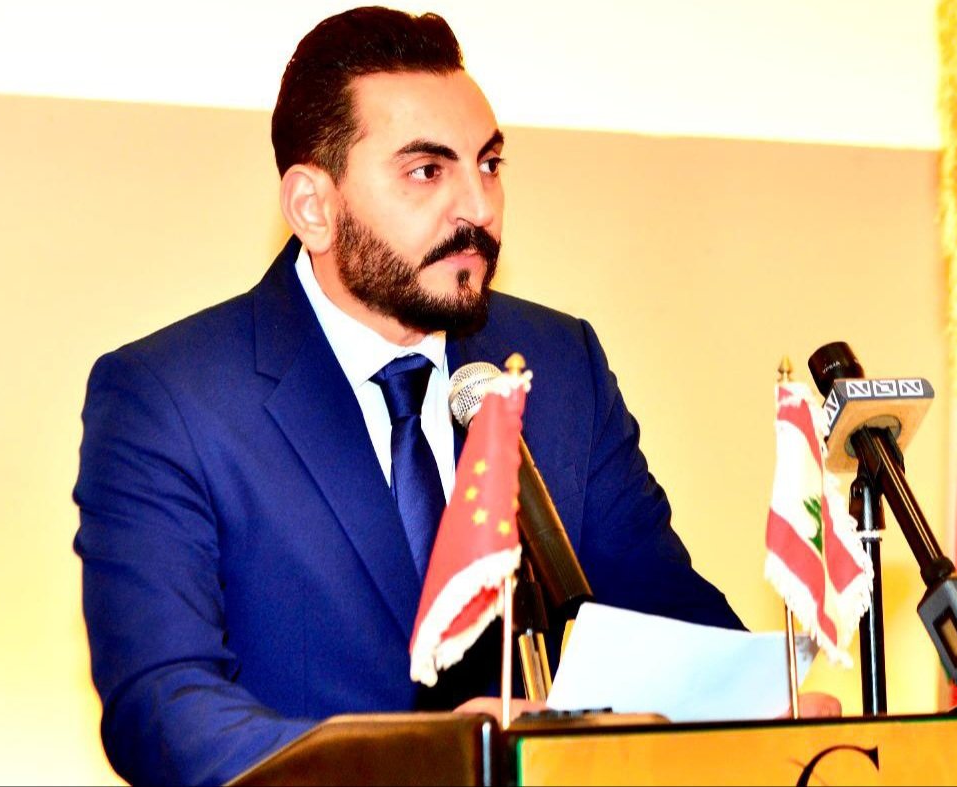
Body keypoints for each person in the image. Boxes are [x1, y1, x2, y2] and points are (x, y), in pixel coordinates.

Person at [73, 7, 833, 786]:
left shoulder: (558, 363)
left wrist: (753, 710)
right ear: (313, 206)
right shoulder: (172, 397)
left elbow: (663, 618)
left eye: (490, 164)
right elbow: (163, 708)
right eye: (427, 171)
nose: (479, 206)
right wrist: (431, 758)